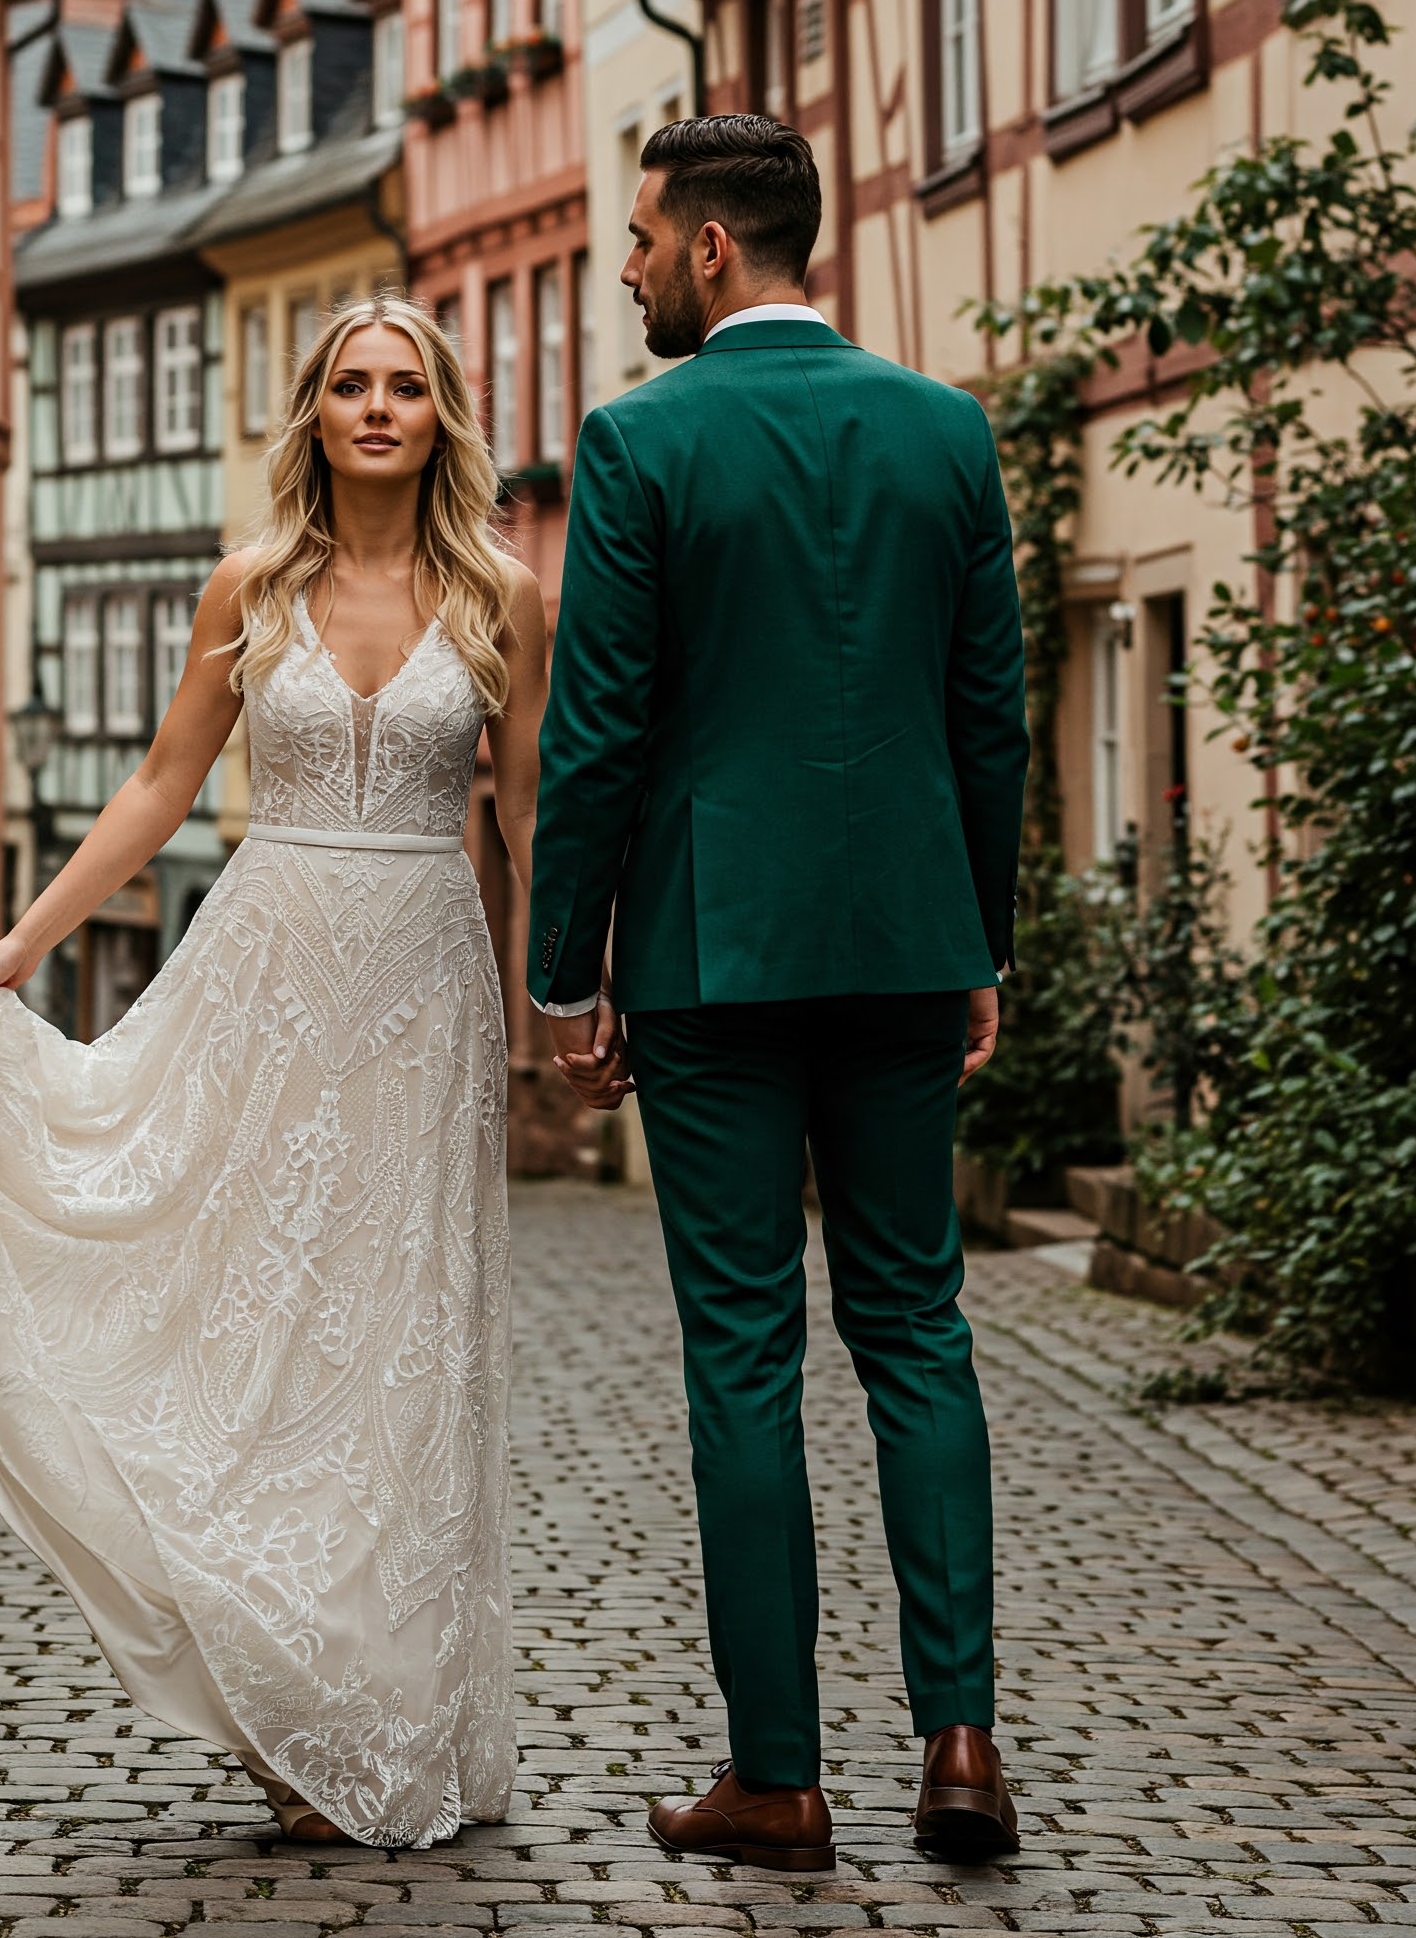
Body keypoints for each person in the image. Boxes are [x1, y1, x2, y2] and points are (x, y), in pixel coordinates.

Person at [0, 296, 546, 1851]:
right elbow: (163, 782)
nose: (377, 407)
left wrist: (557, 993)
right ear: (315, 413)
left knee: (398, 1341)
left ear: (441, 417)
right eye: (350, 385)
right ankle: (283, 1686)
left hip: (424, 995)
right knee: (248, 1316)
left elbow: (525, 813)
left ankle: (387, 1706)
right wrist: (25, 942)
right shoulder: (252, 585)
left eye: (405, 387)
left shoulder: (502, 596)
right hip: (267, 977)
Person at [530, 115, 1029, 1866]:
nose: (627, 268)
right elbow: (988, 713)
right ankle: (960, 1745)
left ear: (712, 247)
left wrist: (565, 970)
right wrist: (981, 937)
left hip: (712, 956)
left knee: (743, 1355)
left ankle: (781, 1779)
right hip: (905, 946)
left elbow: (598, 730)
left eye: (641, 238)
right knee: (919, 1331)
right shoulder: (947, 430)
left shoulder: (641, 439)